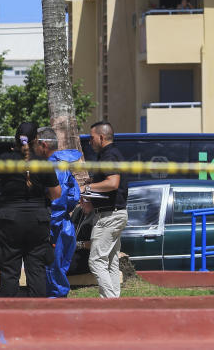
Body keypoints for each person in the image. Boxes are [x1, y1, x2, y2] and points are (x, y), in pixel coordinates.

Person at [0, 125, 60, 298]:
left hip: (9, 220)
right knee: (36, 269)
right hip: (37, 220)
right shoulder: (43, 163)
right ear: (36, 139)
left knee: (9, 271)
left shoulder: (6, 159)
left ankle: (9, 315)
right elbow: (56, 194)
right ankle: (36, 317)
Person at [85, 120, 129, 298]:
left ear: (101, 137)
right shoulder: (112, 154)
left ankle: (111, 303)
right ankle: (114, 304)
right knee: (110, 262)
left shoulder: (108, 155)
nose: (90, 142)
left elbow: (112, 183)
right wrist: (93, 185)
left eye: (91, 138)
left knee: (96, 262)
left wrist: (87, 189)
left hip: (110, 216)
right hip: (115, 214)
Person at [40, 127, 81, 297]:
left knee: (52, 272)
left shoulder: (52, 167)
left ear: (43, 144)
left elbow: (58, 199)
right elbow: (74, 195)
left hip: (54, 227)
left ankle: (54, 312)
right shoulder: (64, 165)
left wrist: (49, 227)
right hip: (65, 226)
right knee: (59, 271)